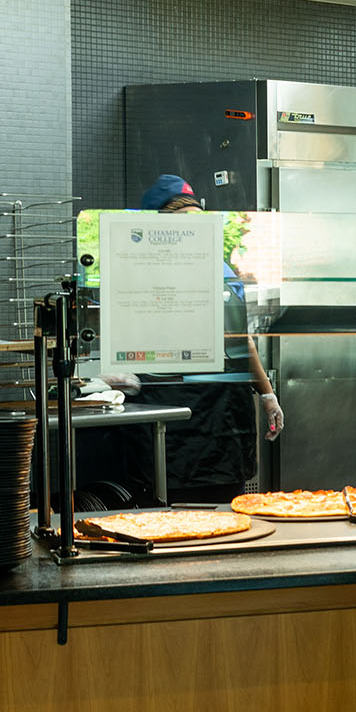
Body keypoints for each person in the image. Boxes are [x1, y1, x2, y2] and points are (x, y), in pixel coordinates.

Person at [115, 173, 282, 502]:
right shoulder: (141, 268)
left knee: (218, 520)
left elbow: (238, 339)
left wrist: (266, 394)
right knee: (168, 516)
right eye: (183, 219)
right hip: (167, 416)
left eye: (195, 218)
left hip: (219, 420)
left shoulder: (214, 267)